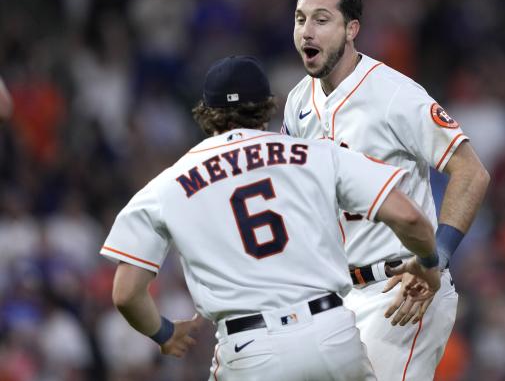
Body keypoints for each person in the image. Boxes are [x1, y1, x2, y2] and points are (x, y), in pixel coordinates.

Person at [100, 55, 444, 381]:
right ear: (267, 106)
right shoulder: (317, 153)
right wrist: (428, 262)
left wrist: (164, 333)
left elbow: (126, 293)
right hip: (332, 335)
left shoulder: (167, 185)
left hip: (250, 348)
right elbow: (409, 219)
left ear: (206, 113)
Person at [282, 0, 491, 380]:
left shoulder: (394, 94)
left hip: (400, 291)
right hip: (333, 297)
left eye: (322, 20)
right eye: (300, 19)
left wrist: (439, 258)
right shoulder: (297, 103)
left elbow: (471, 172)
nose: (307, 31)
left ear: (351, 29)